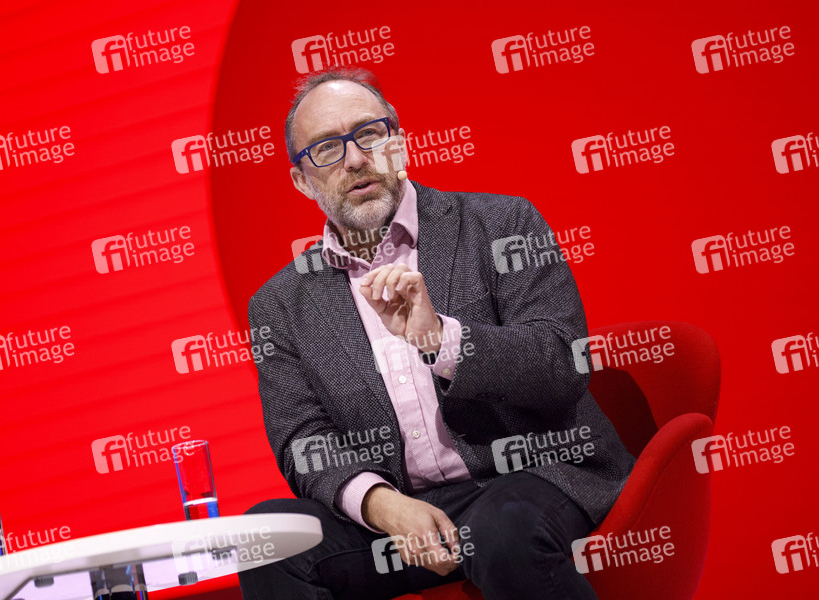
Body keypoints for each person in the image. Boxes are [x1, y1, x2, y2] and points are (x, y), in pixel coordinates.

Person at [238, 67, 635, 600]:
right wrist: (383, 506)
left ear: (398, 143)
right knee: (268, 541)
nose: (355, 159)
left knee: (503, 529)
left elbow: (561, 363)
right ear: (301, 180)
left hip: (530, 478)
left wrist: (443, 341)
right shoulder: (280, 304)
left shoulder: (503, 225)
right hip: (402, 512)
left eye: (369, 134)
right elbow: (302, 439)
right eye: (327, 148)